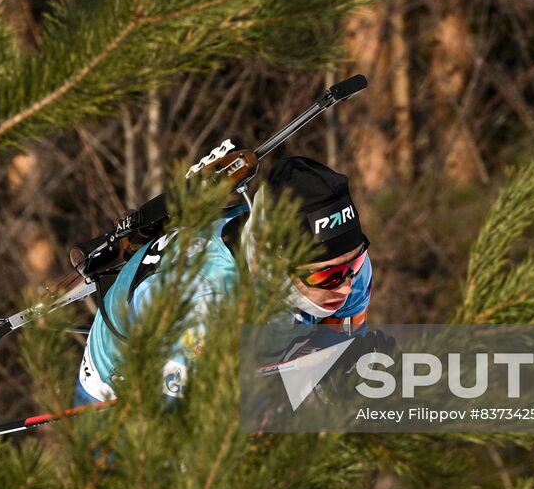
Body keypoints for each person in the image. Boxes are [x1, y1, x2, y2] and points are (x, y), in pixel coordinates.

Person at [74, 155, 372, 405]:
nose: (347, 284)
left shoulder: (344, 262)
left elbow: (345, 326)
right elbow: (189, 426)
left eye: (354, 265)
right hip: (130, 377)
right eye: (327, 275)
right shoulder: (205, 297)